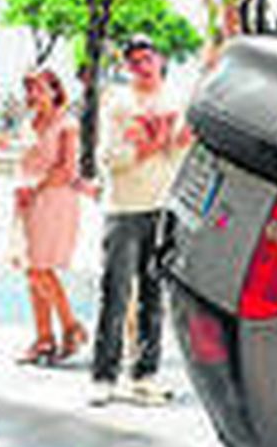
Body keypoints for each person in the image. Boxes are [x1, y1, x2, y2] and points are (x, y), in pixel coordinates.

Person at [89, 35, 189, 406]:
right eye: (135, 62)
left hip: (164, 206)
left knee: (153, 295)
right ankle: (104, 376)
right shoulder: (118, 102)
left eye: (148, 59)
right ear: (127, 66)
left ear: (161, 60)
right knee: (115, 293)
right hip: (123, 208)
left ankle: (145, 375)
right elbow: (108, 158)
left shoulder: (176, 99)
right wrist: (150, 144)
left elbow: (182, 152)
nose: (143, 67)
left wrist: (169, 141)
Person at [14, 68, 89, 366]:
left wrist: (36, 186)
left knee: (39, 268)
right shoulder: (28, 123)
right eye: (29, 89)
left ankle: (71, 326)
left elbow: (67, 170)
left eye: (39, 88)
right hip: (27, 200)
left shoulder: (67, 124)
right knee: (30, 269)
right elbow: (25, 161)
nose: (33, 94)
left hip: (54, 199)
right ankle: (44, 338)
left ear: (55, 91)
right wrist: (22, 187)